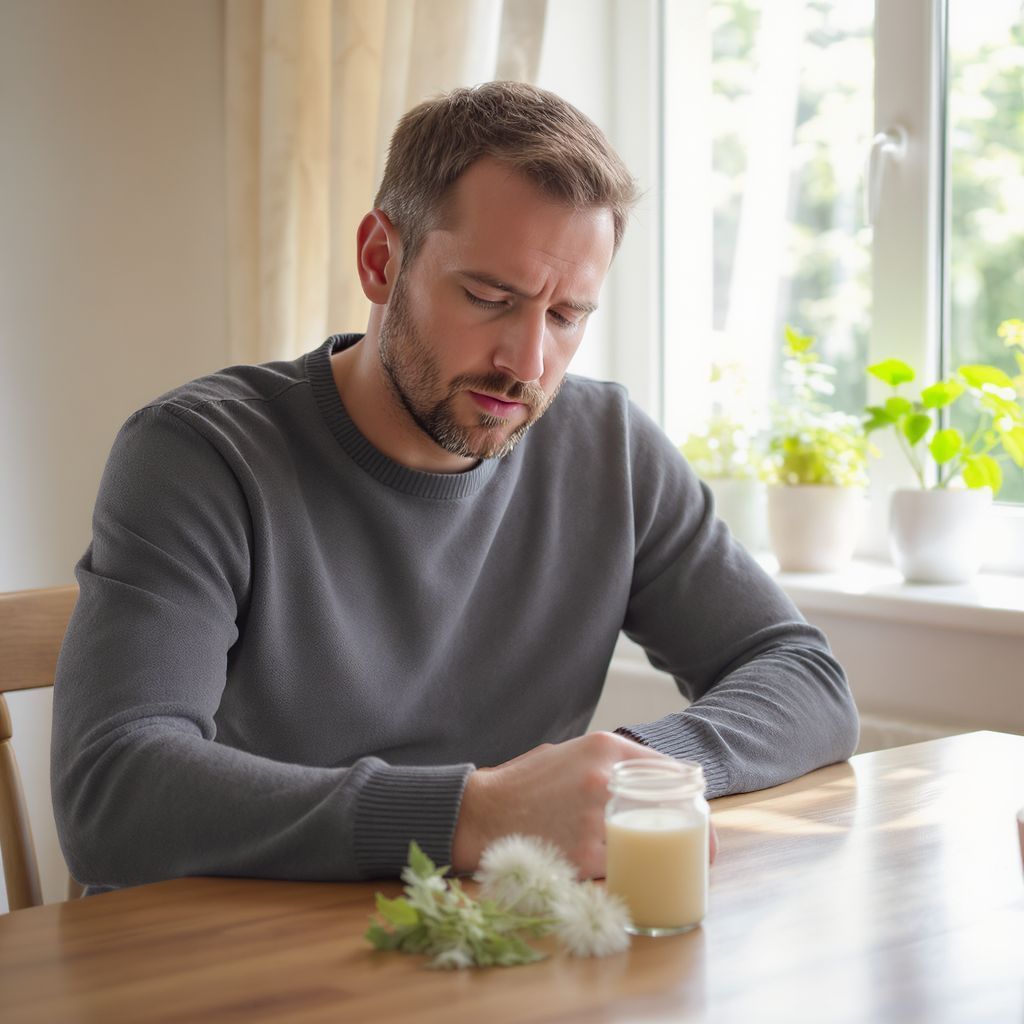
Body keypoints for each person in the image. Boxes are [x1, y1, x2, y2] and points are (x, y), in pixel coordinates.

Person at [52, 81, 858, 892]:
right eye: (488, 297)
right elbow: (113, 796)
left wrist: (635, 773)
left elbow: (802, 677)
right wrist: (474, 815)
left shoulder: (608, 449)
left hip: (481, 952)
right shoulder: (199, 455)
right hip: (227, 970)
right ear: (379, 259)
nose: (527, 362)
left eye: (566, 316)